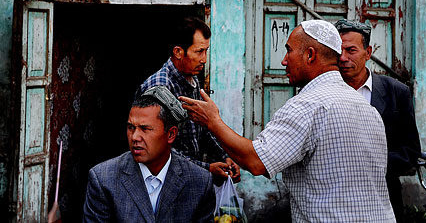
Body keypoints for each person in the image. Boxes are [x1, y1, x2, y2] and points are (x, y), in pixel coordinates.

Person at [180, 20, 396, 222]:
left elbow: (256, 162)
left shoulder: (308, 105)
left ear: (310, 55)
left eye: (289, 51)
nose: (284, 60)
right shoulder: (366, 108)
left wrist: (213, 121)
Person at [83, 86, 215, 222]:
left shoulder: (199, 182)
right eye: (131, 128)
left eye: (145, 129)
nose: (135, 137)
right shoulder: (104, 179)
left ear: (171, 134)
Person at [335, 19, 421, 222]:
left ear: (368, 52)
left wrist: (369, 163)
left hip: (382, 197)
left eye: (351, 50)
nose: (343, 58)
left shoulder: (396, 92)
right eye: (338, 51)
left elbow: (410, 151)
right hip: (334, 200)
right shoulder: (325, 92)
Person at [137, 16, 240, 184]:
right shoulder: (160, 87)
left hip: (187, 179)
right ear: (178, 52)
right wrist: (206, 169)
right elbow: (158, 148)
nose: (204, 59)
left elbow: (203, 128)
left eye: (206, 51)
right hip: (162, 183)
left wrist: (224, 156)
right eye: (199, 51)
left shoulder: (192, 80)